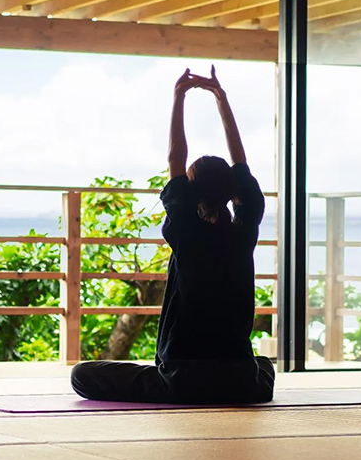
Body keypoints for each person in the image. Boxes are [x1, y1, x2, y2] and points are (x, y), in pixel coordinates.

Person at [70, 66, 276, 405]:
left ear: (191, 194)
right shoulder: (243, 233)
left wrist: (178, 97)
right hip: (240, 379)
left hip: (182, 379)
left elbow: (174, 159)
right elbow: (240, 164)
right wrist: (221, 100)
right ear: (234, 191)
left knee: (82, 375)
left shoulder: (186, 232)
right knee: (263, 367)